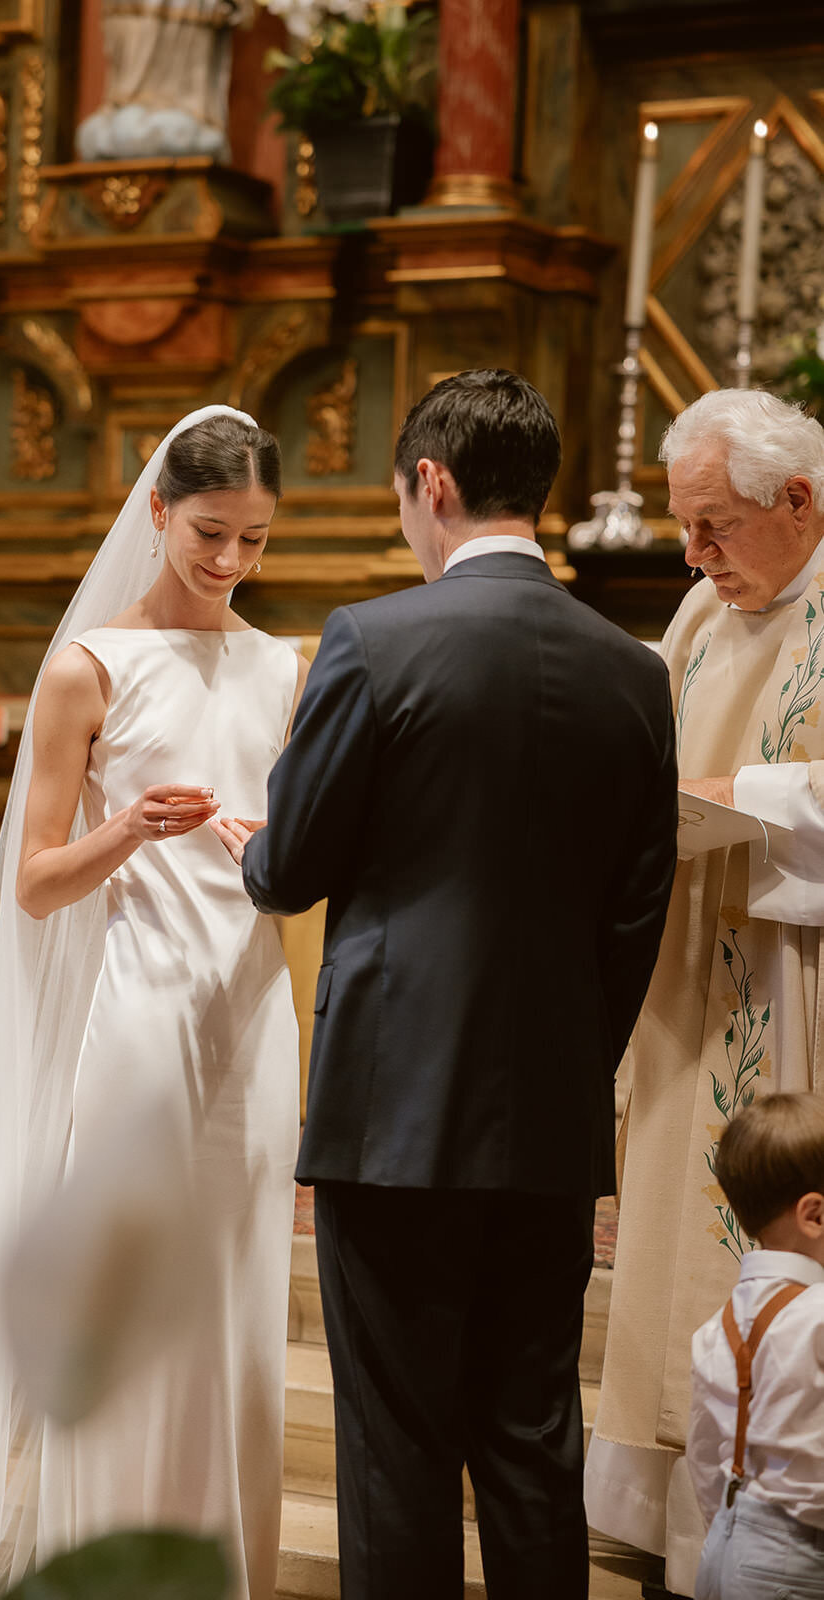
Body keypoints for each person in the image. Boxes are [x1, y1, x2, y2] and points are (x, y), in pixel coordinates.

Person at [211, 369, 678, 1600]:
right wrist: (575, 1060)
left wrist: (250, 846)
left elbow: (293, 867)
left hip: (390, 1120)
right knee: (531, 1436)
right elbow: (638, 907)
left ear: (430, 483)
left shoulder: (375, 638)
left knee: (397, 1445)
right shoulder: (633, 671)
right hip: (551, 1122)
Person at [0, 407, 308, 1600]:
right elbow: (30, 884)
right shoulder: (88, 666)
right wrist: (130, 828)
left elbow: (307, 846)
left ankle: (226, 1573)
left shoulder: (286, 667)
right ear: (158, 511)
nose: (227, 563)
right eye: (209, 533)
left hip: (251, 1011)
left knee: (236, 1297)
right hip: (139, 1014)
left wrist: (279, 837)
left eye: (254, 542)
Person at [584, 389, 824, 1599]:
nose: (693, 554)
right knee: (672, 1225)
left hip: (796, 978)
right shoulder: (694, 610)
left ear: (799, 501)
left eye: (715, 525)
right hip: (686, 970)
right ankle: (663, 1496)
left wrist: (756, 796)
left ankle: (774, 1501)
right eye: (684, 526)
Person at [687, 1094, 824, 1600]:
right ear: (815, 1215)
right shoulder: (818, 1315)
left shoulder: (715, 1328)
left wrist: (732, 1533)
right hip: (803, 1557)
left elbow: (704, 1456)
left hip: (728, 1545)